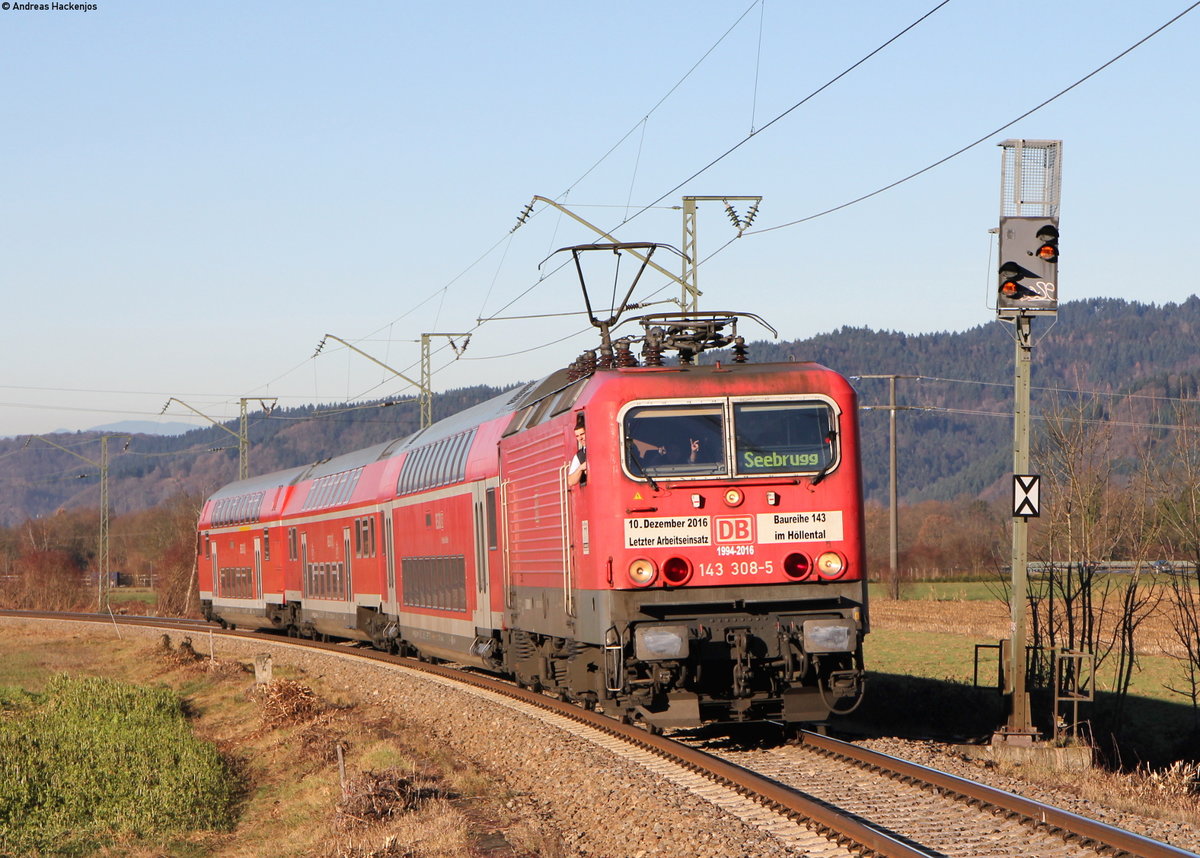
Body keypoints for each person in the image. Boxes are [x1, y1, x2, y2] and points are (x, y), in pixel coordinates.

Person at [567, 414, 587, 487]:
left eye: (582, 434)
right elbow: (570, 481)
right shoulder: (579, 456)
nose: (580, 438)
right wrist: (580, 468)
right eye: (577, 436)